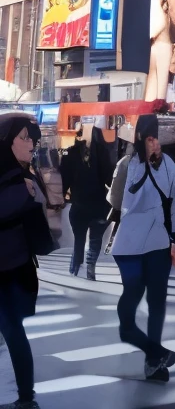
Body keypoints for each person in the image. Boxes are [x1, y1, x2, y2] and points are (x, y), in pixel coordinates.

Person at [109, 114, 175, 384]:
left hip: (157, 242)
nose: (153, 143)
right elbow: (122, 199)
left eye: (157, 138)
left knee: (157, 302)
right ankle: (143, 343)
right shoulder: (128, 164)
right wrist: (143, 163)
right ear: (140, 139)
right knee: (131, 295)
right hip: (130, 243)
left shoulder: (168, 165)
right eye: (148, 138)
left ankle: (153, 361)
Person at [0, 115, 50, 409]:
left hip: (14, 269)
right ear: (7, 142)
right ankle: (26, 397)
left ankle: (26, 397)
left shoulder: (26, 177)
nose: (31, 144)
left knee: (13, 329)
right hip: (9, 268)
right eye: (24, 138)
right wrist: (24, 192)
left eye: (32, 139)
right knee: (12, 330)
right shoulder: (20, 180)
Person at [60, 119, 114, 280]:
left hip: (79, 206)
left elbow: (64, 179)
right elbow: (110, 179)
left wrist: (61, 197)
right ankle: (90, 266)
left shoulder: (69, 152)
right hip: (99, 206)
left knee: (79, 239)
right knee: (95, 239)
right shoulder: (103, 152)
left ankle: (75, 267)